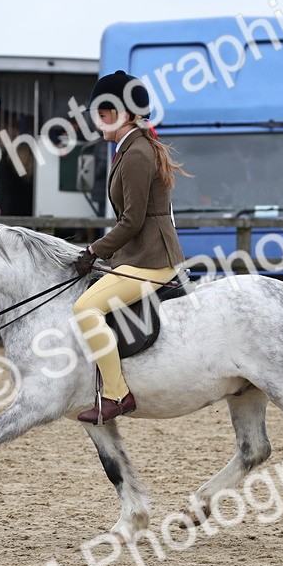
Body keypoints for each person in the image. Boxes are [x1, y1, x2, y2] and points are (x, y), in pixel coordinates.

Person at [71, 70, 187, 424]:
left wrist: (95, 252)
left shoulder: (137, 154)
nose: (98, 121)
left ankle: (118, 393)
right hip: (140, 254)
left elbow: (132, 221)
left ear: (124, 114)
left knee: (85, 310)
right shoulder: (132, 148)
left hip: (151, 259)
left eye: (103, 114)